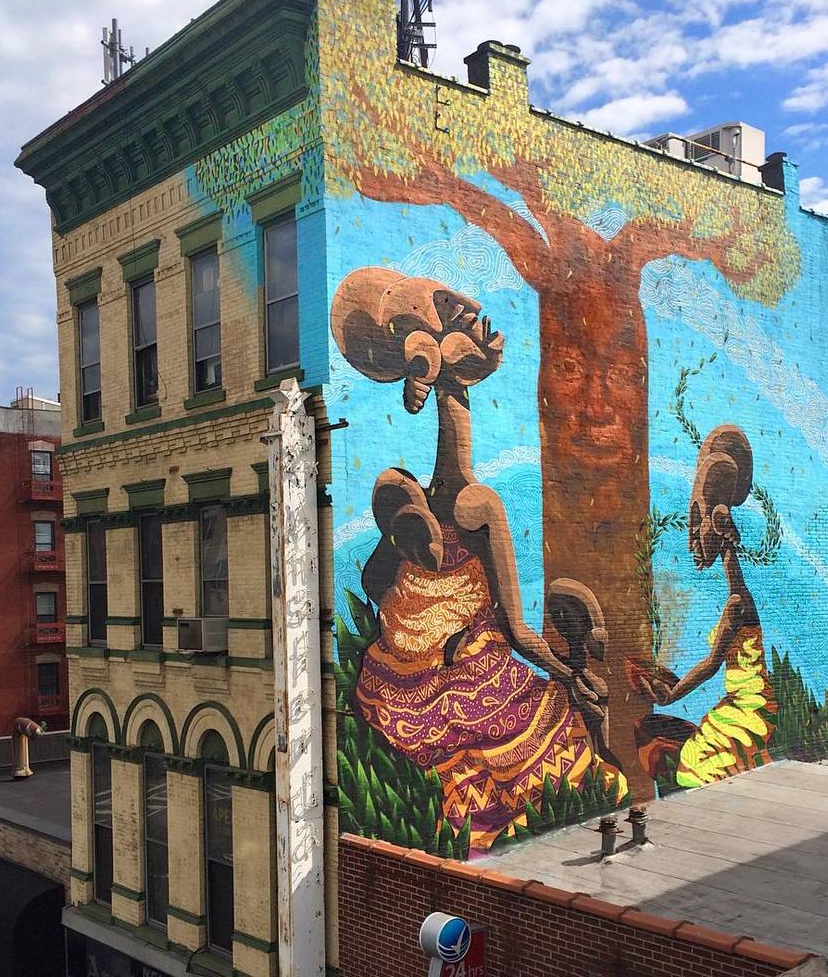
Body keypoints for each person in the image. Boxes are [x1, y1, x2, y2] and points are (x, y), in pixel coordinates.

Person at [332, 267, 627, 850]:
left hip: (406, 673)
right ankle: (410, 539)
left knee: (400, 493)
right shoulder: (482, 506)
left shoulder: (467, 502)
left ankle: (407, 537)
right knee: (527, 735)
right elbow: (518, 630)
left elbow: (370, 586)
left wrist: (426, 368)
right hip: (453, 662)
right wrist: (569, 676)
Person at [632, 425, 777, 789]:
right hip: (741, 698)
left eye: (699, 535)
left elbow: (712, 664)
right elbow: (730, 561)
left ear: (717, 530)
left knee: (695, 768)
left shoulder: (736, 605)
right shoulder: (737, 594)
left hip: (748, 707)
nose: (696, 547)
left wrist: (672, 694)